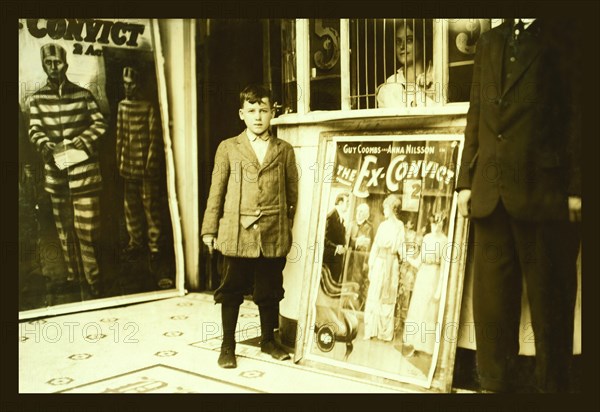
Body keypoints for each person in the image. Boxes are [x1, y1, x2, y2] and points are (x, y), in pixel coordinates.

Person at [456, 19, 581, 393]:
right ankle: (494, 385)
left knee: (550, 306)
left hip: (544, 194)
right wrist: (464, 182)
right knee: (492, 306)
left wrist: (579, 187)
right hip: (489, 194)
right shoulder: (490, 42)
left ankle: (552, 388)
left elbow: (579, 115)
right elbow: (475, 114)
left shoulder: (566, 36)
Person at [201, 84, 298, 369]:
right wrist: (210, 229)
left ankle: (269, 340)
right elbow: (216, 191)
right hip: (236, 232)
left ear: (273, 113)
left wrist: (284, 225)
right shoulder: (228, 148)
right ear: (242, 114)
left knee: (269, 289)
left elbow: (292, 194)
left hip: (272, 232)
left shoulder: (284, 150)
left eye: (264, 110)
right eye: (252, 111)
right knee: (231, 288)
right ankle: (227, 346)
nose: (258, 117)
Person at [28, 43, 107, 298]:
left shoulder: (83, 95)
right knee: (65, 230)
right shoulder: (37, 99)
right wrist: (44, 142)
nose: (54, 67)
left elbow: (100, 124)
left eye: (58, 62)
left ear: (66, 64)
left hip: (85, 174)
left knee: (88, 229)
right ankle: (74, 277)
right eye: (49, 63)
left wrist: (84, 138)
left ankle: (93, 280)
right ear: (43, 65)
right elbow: (34, 129)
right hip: (57, 174)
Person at [116, 66, 164, 263]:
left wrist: (150, 164)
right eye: (125, 84)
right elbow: (120, 137)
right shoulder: (122, 106)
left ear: (138, 84)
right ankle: (135, 242)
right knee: (131, 207)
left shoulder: (148, 107)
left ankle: (155, 247)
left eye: (131, 84)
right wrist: (120, 161)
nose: (128, 88)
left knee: (150, 207)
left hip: (145, 170)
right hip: (128, 168)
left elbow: (154, 138)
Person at [401, 213, 448, 366]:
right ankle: (414, 345)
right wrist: (407, 257)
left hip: (434, 276)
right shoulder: (427, 238)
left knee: (429, 312)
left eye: (439, 224)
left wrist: (439, 290)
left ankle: (426, 348)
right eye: (434, 224)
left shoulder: (445, 241)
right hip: (423, 276)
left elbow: (444, 268)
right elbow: (419, 261)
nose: (436, 227)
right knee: (418, 309)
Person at [363, 194, 405, 341]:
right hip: (380, 262)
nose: (384, 211)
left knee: (388, 297)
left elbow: (401, 247)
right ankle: (370, 330)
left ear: (392, 209)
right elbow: (375, 245)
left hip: (391, 263)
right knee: (375, 294)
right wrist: (371, 264)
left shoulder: (399, 226)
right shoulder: (382, 225)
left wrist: (408, 260)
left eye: (386, 208)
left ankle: (385, 333)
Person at [376, 19, 435, 108]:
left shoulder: (439, 76)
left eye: (409, 40)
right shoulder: (389, 86)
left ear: (423, 42)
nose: (402, 46)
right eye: (398, 41)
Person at [345, 203, 374, 310]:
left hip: (359, 262)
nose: (358, 214)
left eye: (361, 212)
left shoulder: (369, 228)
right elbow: (346, 241)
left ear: (366, 215)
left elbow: (367, 245)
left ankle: (353, 308)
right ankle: (345, 305)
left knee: (356, 284)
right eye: (358, 211)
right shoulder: (351, 224)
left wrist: (366, 262)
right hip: (348, 260)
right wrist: (356, 242)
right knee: (346, 283)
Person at [323, 192, 350, 284]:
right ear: (340, 203)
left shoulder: (340, 218)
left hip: (336, 260)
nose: (348, 205)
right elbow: (323, 238)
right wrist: (336, 248)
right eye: (347, 202)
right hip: (329, 260)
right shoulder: (331, 217)